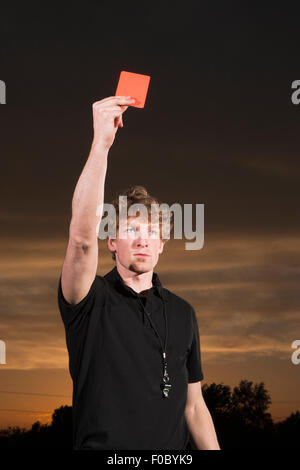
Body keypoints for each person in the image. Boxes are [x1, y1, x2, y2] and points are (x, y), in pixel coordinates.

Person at [57, 96, 220, 450]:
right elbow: (82, 239)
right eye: (132, 230)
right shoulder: (88, 300)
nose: (143, 240)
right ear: (112, 240)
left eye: (152, 233)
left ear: (162, 244)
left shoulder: (182, 313)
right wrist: (101, 144)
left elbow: (194, 407)